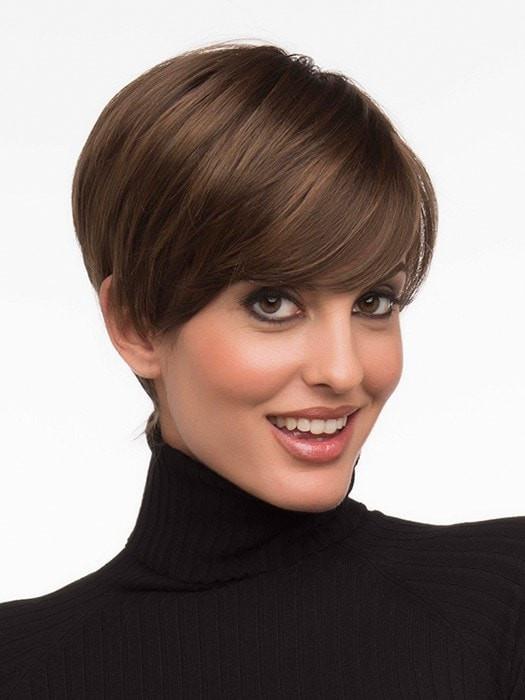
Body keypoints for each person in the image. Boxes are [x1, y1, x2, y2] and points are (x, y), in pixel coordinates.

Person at [1, 40, 523, 698]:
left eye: (373, 302)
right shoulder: (20, 667)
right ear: (136, 323)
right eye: (272, 303)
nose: (343, 371)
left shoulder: (503, 602)